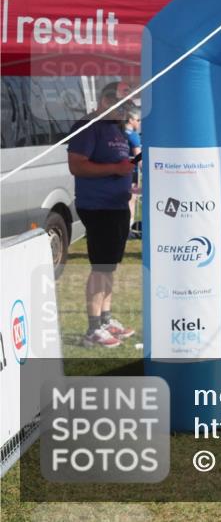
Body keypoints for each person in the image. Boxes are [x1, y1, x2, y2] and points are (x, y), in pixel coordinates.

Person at [68, 81, 137, 348]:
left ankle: (105, 320)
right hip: (98, 207)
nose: (127, 110)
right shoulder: (88, 125)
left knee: (109, 266)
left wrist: (127, 177)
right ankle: (93, 329)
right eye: (123, 104)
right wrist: (114, 170)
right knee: (101, 267)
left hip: (117, 205)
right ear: (106, 101)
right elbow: (77, 166)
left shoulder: (115, 128)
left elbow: (118, 165)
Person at [123, 106, 142, 237]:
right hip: (132, 173)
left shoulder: (119, 132)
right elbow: (138, 157)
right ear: (130, 120)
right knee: (131, 200)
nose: (139, 122)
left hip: (120, 171)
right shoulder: (134, 136)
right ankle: (128, 229)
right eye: (138, 119)